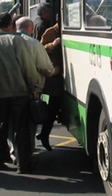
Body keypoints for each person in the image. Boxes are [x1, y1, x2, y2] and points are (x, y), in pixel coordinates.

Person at [0, 12, 42, 174]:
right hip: (19, 92)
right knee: (21, 130)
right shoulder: (17, 41)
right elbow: (27, 67)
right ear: (11, 25)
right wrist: (34, 86)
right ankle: (23, 164)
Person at [15, 16, 57, 151]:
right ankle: (26, 154)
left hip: (3, 90)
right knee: (27, 124)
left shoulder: (0, 42)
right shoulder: (33, 43)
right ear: (28, 28)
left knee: (10, 124)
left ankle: (11, 151)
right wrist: (55, 71)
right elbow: (45, 67)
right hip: (28, 89)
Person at [38, 21, 64, 151]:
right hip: (55, 78)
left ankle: (43, 134)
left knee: (54, 108)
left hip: (63, 76)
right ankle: (44, 135)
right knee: (53, 108)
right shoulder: (50, 32)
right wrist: (53, 45)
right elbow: (41, 50)